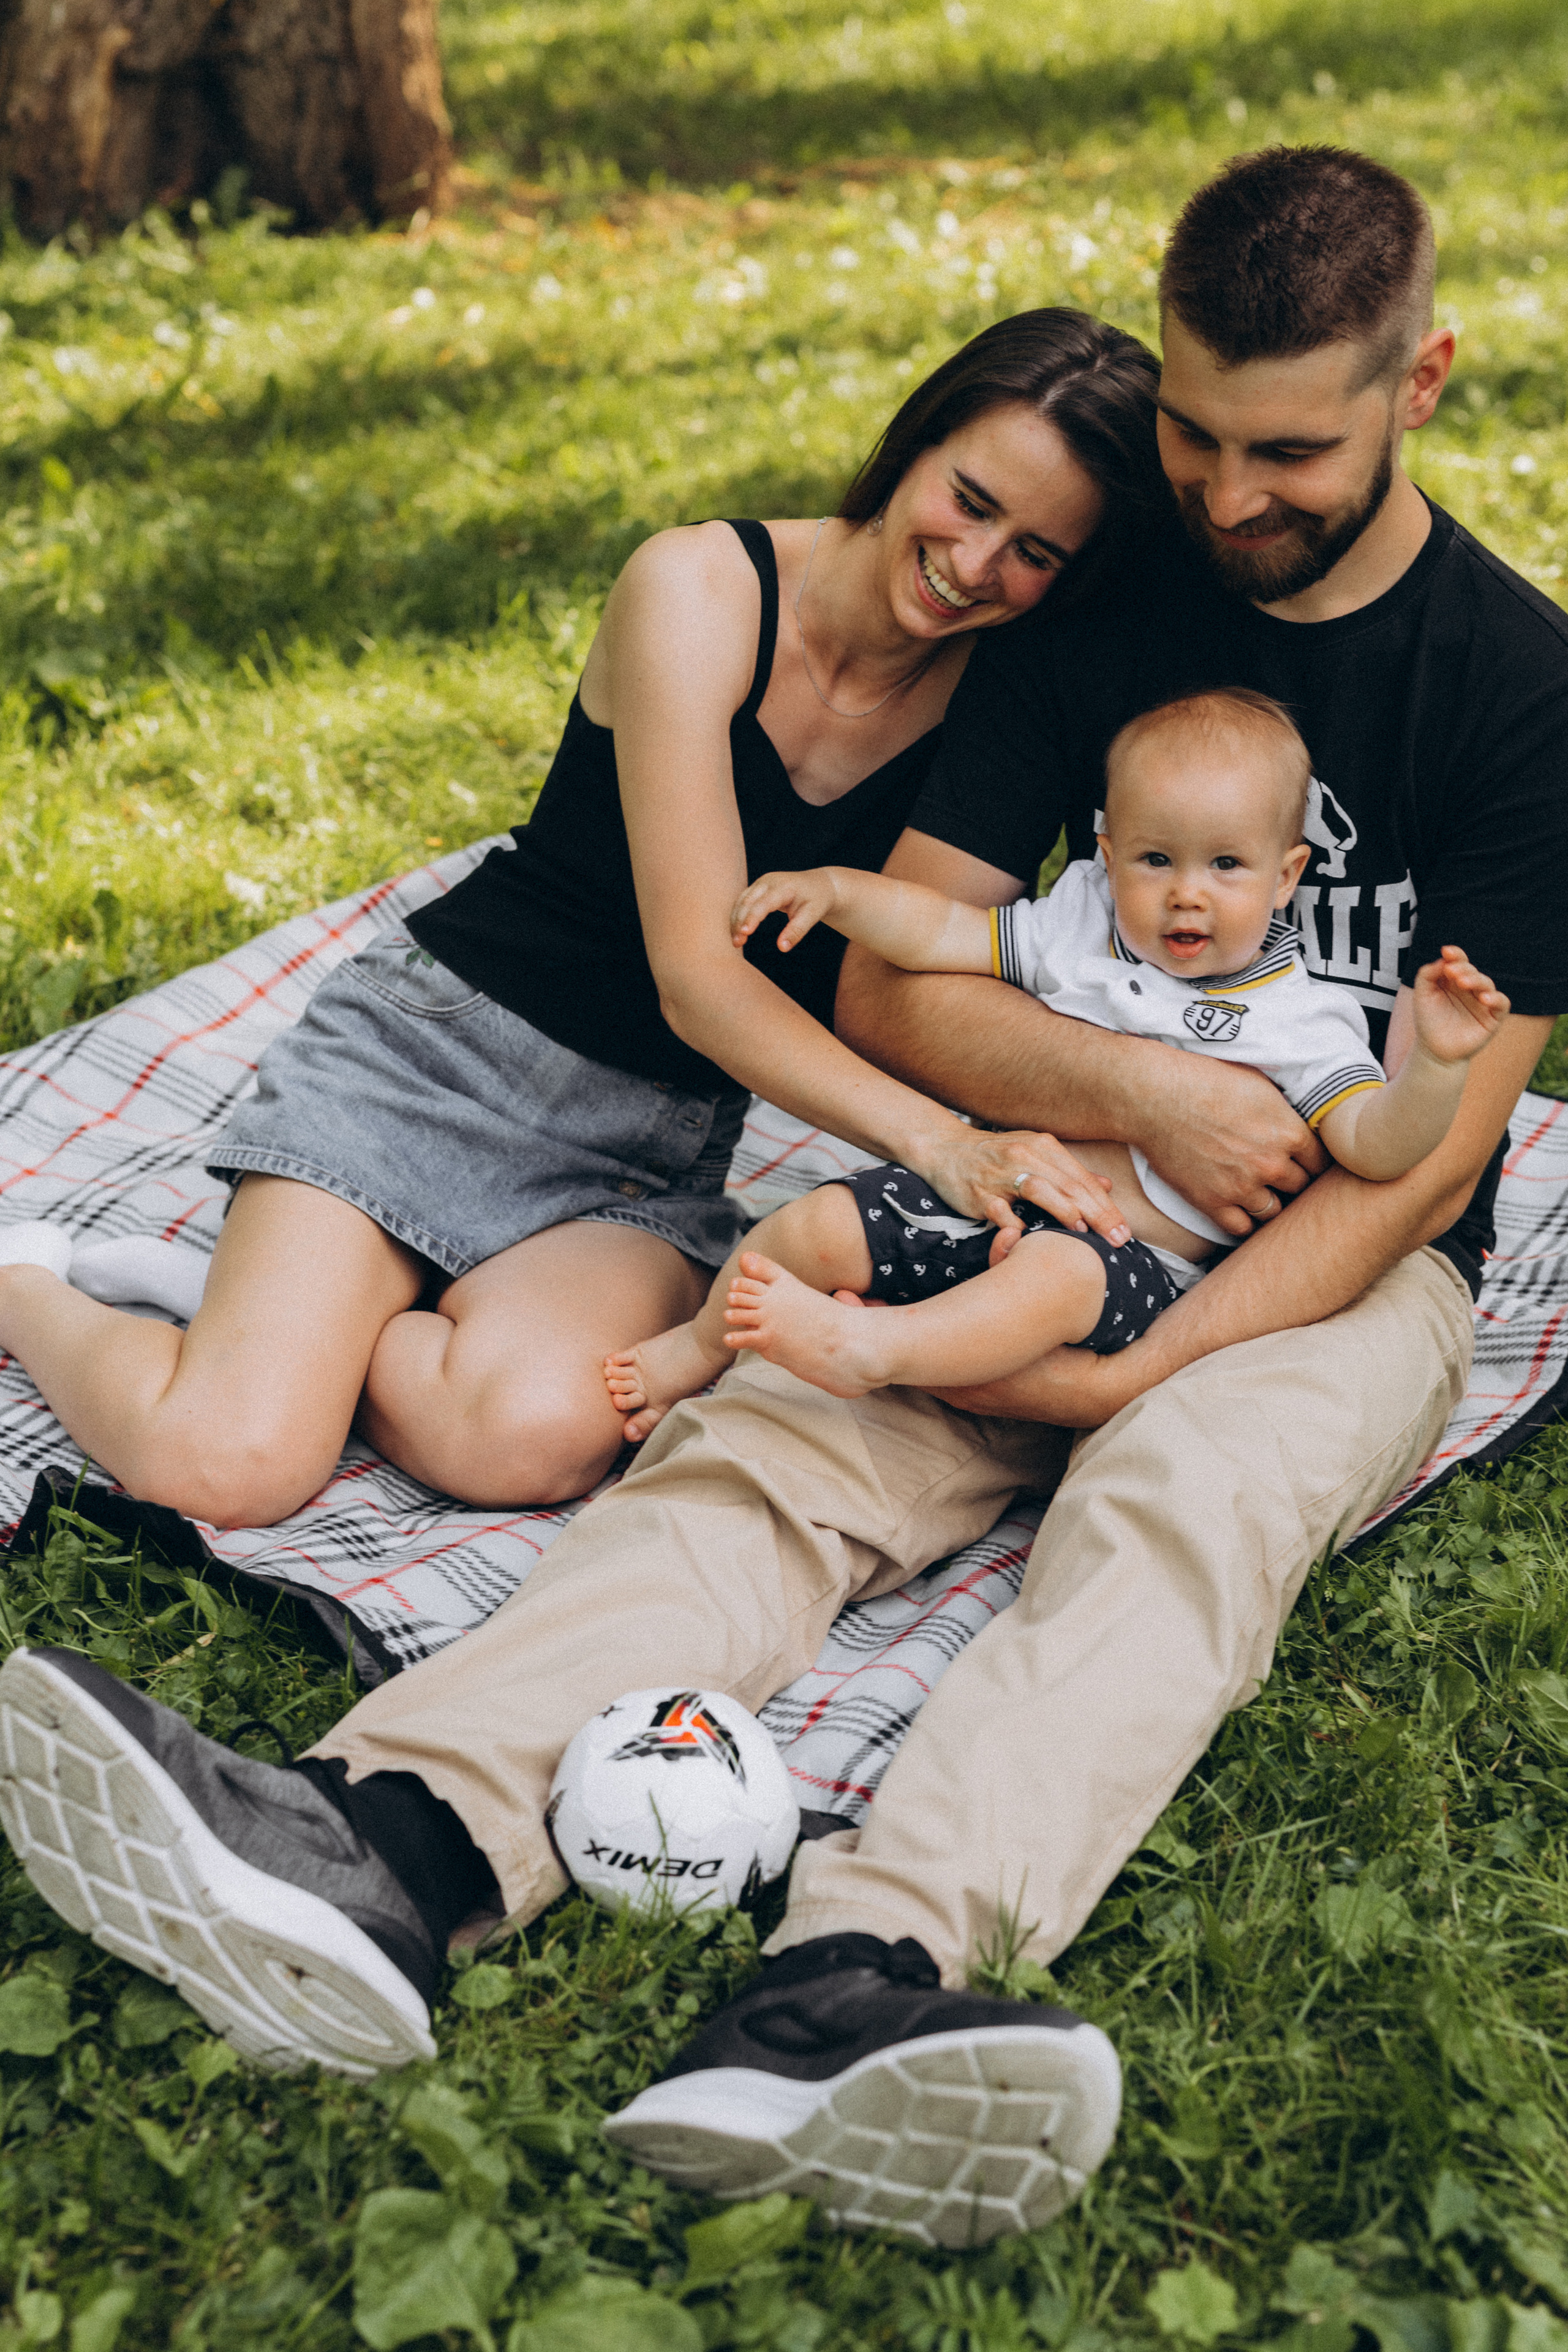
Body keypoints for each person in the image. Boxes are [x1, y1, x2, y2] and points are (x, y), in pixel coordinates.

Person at [4, 146, 1567, 2253]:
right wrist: (1126, 1113)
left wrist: (1154, 1358)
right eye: (1191, 430)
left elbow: (1440, 1149)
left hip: (1316, 1280)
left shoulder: (1521, 688)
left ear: (1428, 380)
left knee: (1181, 1510)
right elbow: (899, 979)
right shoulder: (1106, 606)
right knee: (770, 1435)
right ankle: (386, 1836)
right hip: (1033, 1201)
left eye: (1285, 446)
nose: (1220, 489)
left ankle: (859, 1986)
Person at [0, 310, 1162, 1527]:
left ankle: (296, 1326)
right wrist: (943, 1145)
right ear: (912, 444)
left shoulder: (1001, 706)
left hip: (640, 1148)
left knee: (537, 1441)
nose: (976, 566)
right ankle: (38, 1291)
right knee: (232, 1468)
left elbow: (931, 970)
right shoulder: (700, 587)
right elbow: (698, 978)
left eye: (1033, 552)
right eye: (969, 501)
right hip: (434, 1065)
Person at [604, 687, 1507, 1426]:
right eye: (1156, 858)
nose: (1187, 894)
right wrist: (841, 893)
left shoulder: (1299, 1019)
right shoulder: (1081, 927)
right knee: (811, 1226)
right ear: (1108, 856)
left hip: (1128, 1263)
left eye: (1227, 865)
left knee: (1052, 1279)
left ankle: (878, 1350)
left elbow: (1379, 1146)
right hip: (1003, 1186)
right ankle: (694, 1350)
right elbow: (943, 932)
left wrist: (1436, 1064)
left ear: (1286, 876)